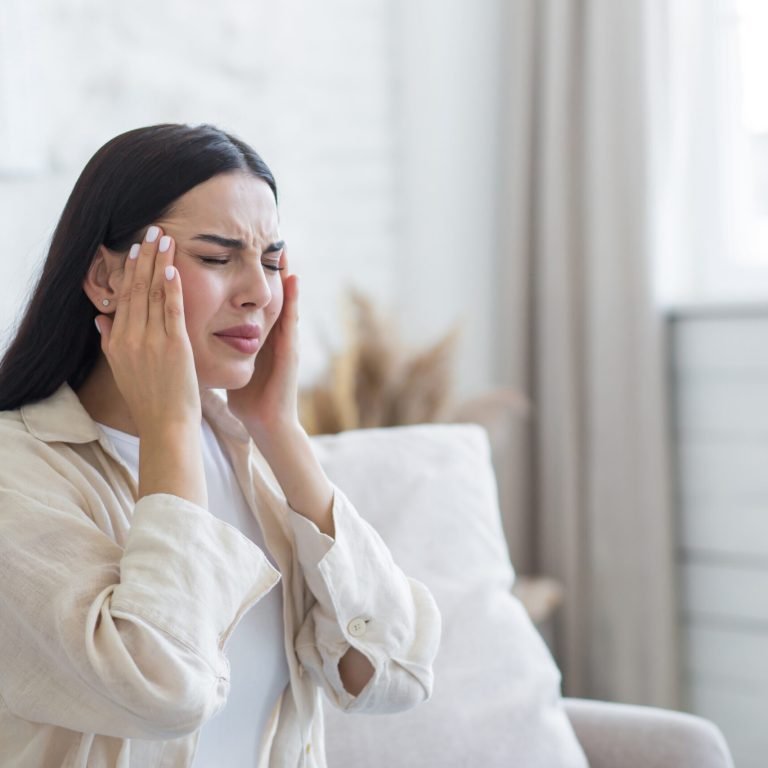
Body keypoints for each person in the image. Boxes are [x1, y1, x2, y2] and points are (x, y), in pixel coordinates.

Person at [0, 123, 441, 767]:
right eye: (215, 257)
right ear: (105, 277)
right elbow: (161, 686)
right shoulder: (18, 472)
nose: (258, 293)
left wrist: (278, 431)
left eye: (269, 261)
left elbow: (393, 673)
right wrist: (170, 425)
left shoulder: (251, 458)